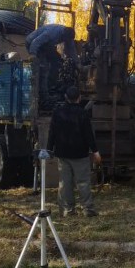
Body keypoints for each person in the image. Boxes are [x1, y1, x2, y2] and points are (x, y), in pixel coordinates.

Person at [41, 86, 102, 217]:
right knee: (83, 182)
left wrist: (49, 149)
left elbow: (52, 133)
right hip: (80, 153)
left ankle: (68, 210)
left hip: (63, 153)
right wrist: (95, 151)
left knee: (65, 183)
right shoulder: (83, 113)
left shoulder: (58, 112)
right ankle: (88, 209)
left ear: (66, 98)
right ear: (79, 98)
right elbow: (88, 134)